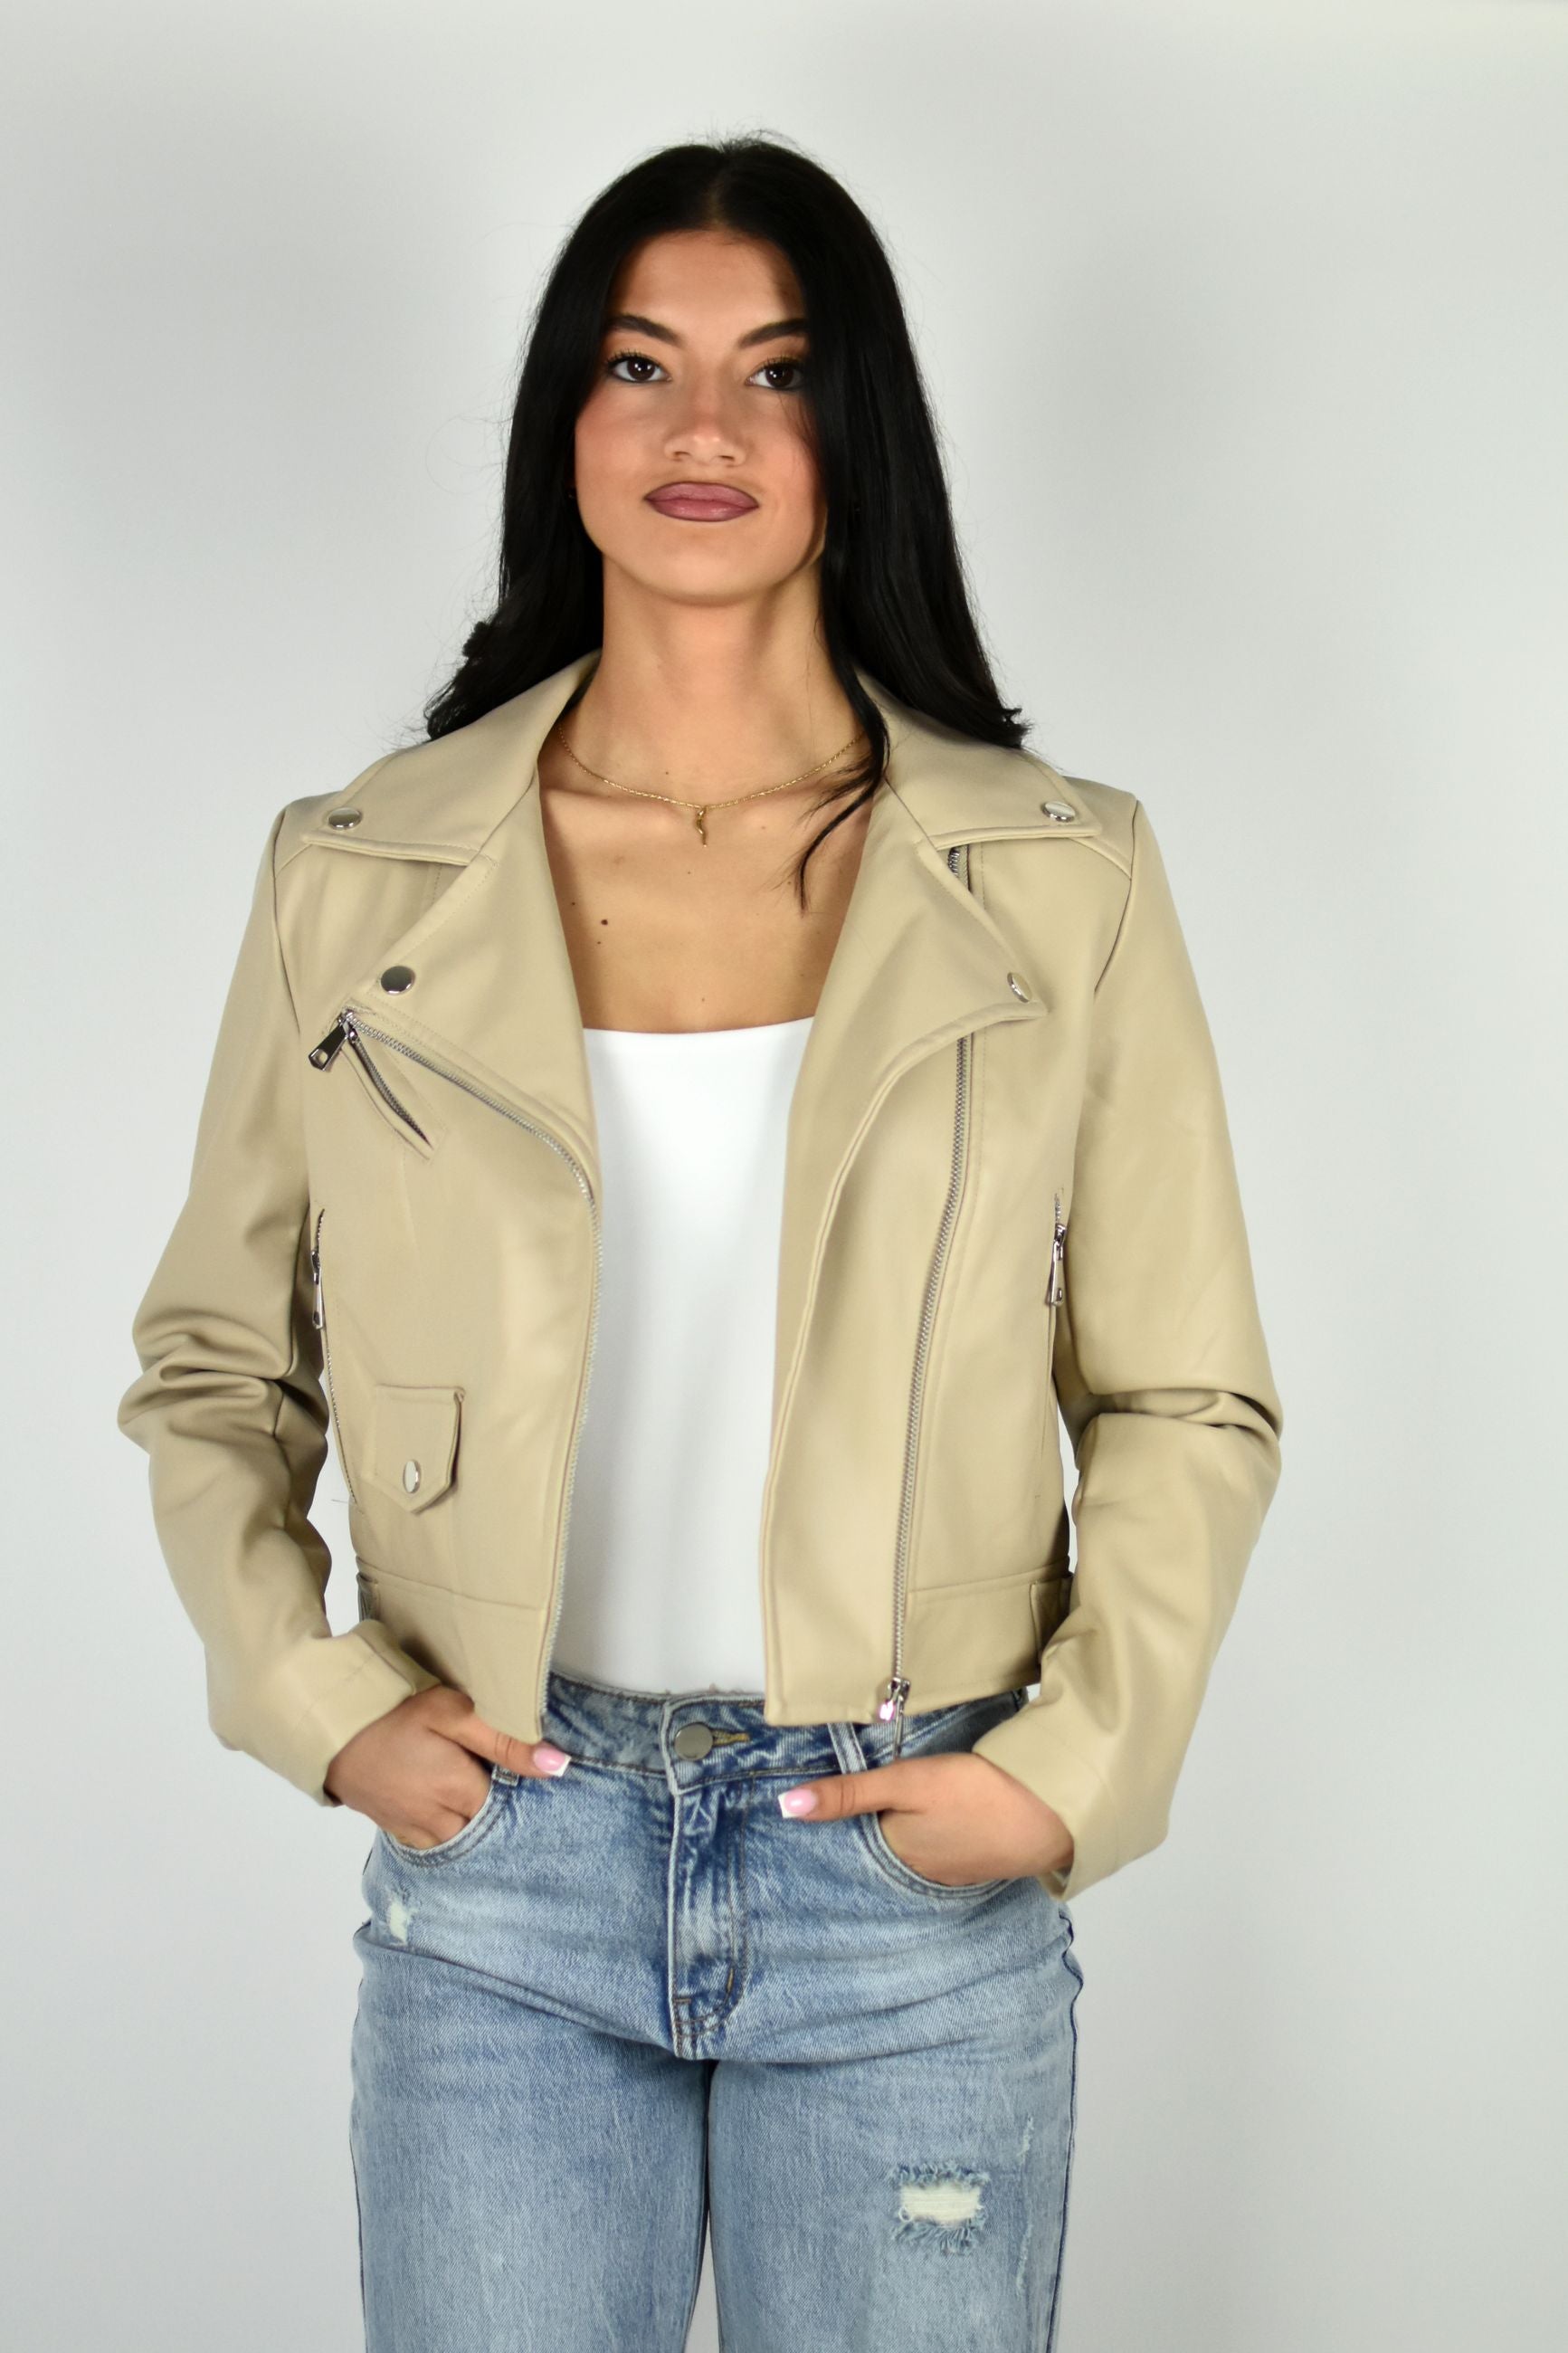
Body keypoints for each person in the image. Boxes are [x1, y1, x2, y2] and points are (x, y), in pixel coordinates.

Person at [117, 133, 1283, 2353]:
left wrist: (1065, 1768)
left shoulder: (1063, 878)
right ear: (569, 419)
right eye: (642, 364)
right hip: (510, 1871)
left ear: (859, 436)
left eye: (780, 370)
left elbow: (1182, 1392)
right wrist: (319, 1703)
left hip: (902, 1865)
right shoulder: (358, 874)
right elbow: (214, 1366)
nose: (706, 427)